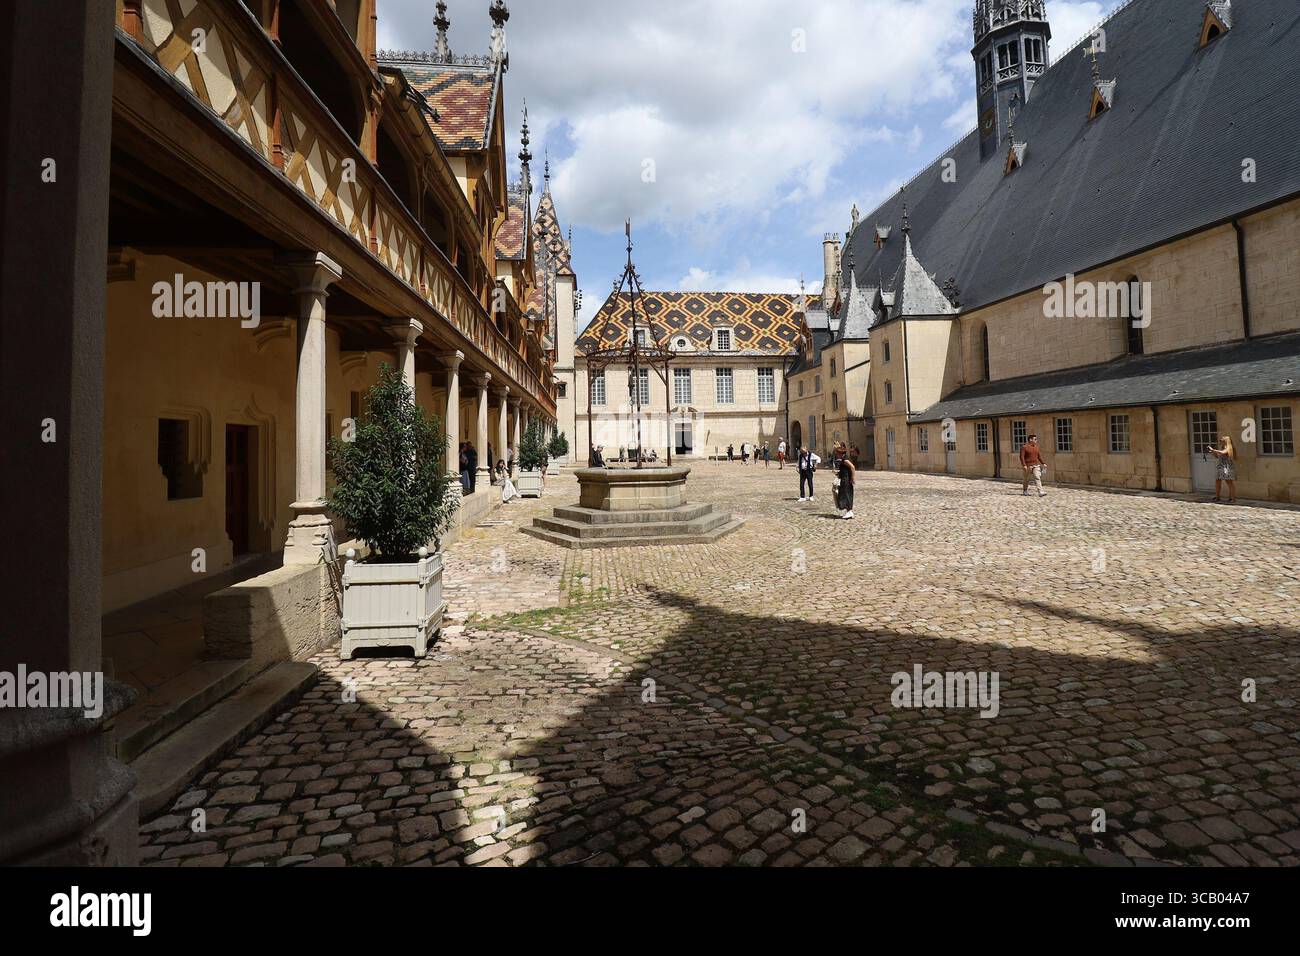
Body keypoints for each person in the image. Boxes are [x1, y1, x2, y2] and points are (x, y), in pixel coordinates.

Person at [1208, 435, 1237, 502]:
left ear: (1225, 441)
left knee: (1229, 482)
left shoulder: (1228, 448)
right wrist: (1213, 452)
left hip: (1226, 467)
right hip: (1221, 467)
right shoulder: (1222, 447)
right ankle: (1217, 497)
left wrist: (1213, 450)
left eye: (1221, 440)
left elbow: (1223, 452)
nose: (1220, 441)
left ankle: (1232, 498)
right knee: (1217, 481)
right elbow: (1218, 456)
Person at [834, 441, 856, 519]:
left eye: (837, 453)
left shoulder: (844, 459)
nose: (836, 454)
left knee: (846, 494)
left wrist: (853, 478)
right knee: (844, 494)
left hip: (846, 479)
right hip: (844, 477)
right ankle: (848, 511)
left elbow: (852, 467)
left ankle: (849, 511)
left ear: (840, 453)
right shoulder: (843, 458)